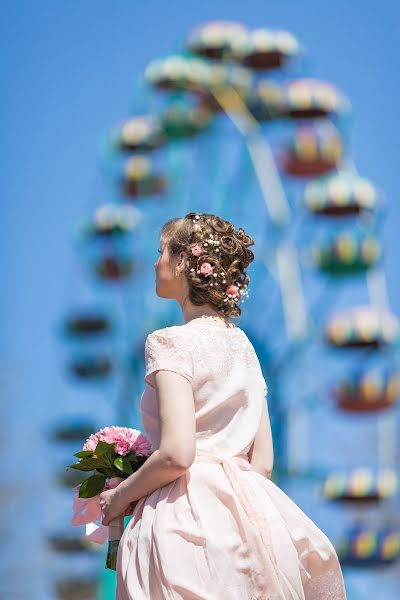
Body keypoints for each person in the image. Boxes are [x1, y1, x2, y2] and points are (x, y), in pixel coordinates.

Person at [100, 212, 347, 599]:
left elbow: (179, 454)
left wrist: (120, 495)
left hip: (181, 521)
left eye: (162, 251)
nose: (155, 262)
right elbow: (261, 462)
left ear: (183, 262)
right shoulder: (246, 349)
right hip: (249, 522)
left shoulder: (168, 343)